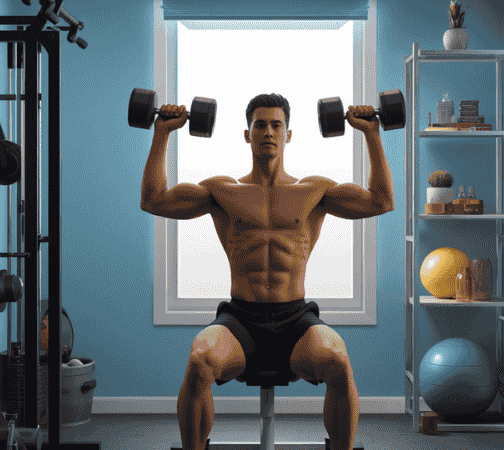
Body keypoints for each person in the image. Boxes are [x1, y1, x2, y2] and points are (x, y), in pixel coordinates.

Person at [140, 93, 394, 450]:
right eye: (260, 124)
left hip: (296, 320)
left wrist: (372, 133)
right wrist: (162, 133)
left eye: (277, 125)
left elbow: (381, 201)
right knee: (199, 362)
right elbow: (153, 200)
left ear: (289, 135)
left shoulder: (313, 190)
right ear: (248, 134)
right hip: (240, 320)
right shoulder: (223, 191)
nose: (268, 132)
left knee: (338, 359)